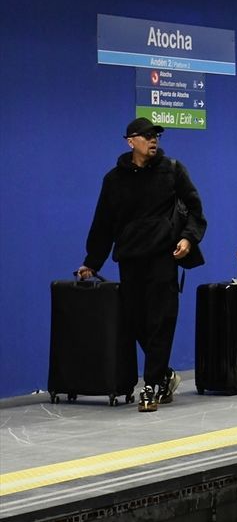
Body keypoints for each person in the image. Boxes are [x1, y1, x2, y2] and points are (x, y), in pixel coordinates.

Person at [77, 117, 206, 412]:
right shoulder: (114, 179)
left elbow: (196, 209)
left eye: (156, 135)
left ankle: (150, 385)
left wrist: (188, 239)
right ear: (130, 141)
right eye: (147, 136)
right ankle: (164, 374)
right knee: (135, 321)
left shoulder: (172, 170)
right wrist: (91, 261)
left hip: (164, 257)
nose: (153, 140)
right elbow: (103, 223)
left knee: (161, 321)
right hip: (130, 258)